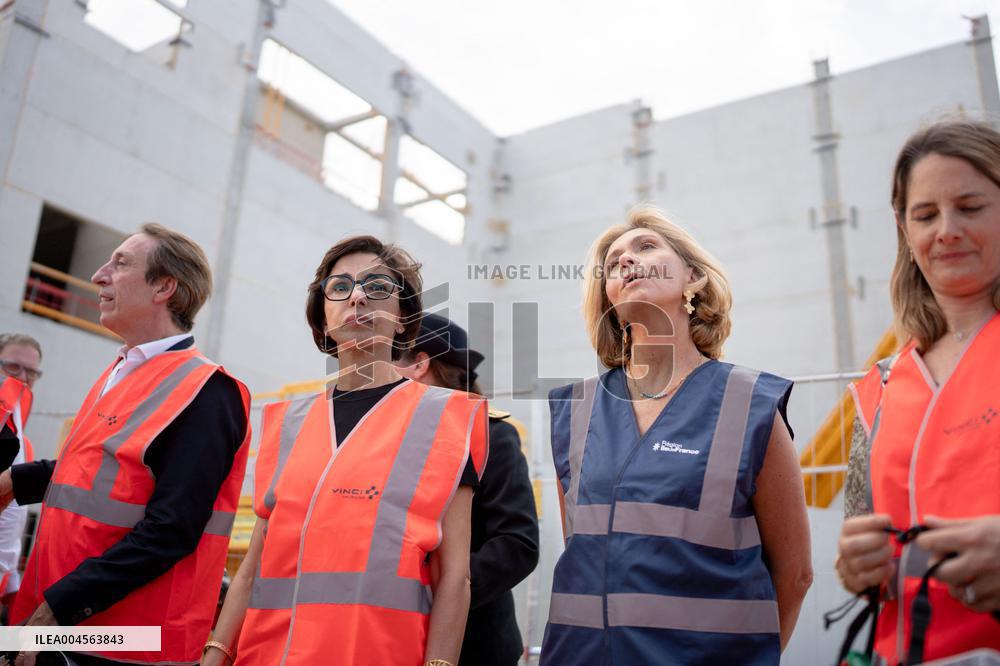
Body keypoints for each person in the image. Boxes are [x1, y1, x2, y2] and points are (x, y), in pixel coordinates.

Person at [539, 206, 813, 665]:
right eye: (612, 263)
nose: (626, 261)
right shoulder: (575, 410)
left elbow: (796, 574)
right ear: (607, 297)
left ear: (693, 278)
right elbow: (584, 555)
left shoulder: (749, 403)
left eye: (646, 247)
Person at [206, 236, 488, 666]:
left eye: (377, 287)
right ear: (322, 320)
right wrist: (217, 654)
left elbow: (455, 579)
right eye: (340, 287)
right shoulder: (289, 425)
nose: (357, 296)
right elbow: (252, 569)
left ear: (401, 319)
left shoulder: (446, 420)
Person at [0, 224, 251, 666]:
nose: (99, 275)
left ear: (164, 287)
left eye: (121, 263)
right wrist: (16, 480)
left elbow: (172, 528)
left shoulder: (207, 391)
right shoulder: (123, 370)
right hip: (64, 625)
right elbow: (98, 471)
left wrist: (57, 608)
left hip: (124, 642)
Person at [838, 119, 1000, 663]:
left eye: (971, 207)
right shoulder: (880, 385)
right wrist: (855, 566)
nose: (947, 230)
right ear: (906, 233)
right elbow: (857, 541)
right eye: (925, 215)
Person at [395, 313, 540, 666]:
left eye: (391, 360)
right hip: (392, 633)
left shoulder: (493, 437)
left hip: (475, 645)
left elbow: (517, 544)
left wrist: (436, 593)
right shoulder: (388, 439)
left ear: (419, 364)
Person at [0, 334, 41, 612]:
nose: (23, 377)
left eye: (32, 372)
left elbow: (12, 524)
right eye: (13, 367)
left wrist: (11, 580)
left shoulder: (22, 443)